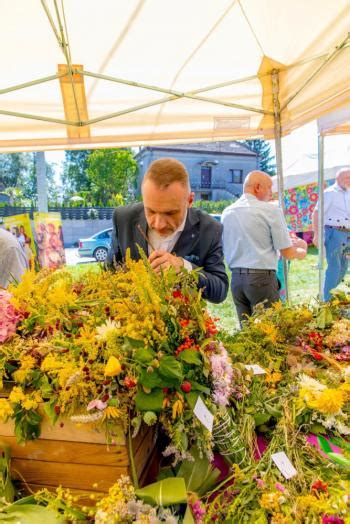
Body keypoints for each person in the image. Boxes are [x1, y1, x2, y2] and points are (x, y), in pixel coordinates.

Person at [107, 157, 228, 303]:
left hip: (182, 321)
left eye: (170, 213)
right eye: (150, 211)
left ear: (189, 200)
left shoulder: (210, 229)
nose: (159, 225)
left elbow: (219, 291)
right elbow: (109, 273)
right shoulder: (123, 218)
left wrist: (184, 268)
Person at [222, 170, 307, 324]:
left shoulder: (227, 212)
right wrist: (302, 251)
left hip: (236, 279)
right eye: (269, 188)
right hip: (261, 278)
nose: (271, 193)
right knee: (270, 332)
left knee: (247, 334)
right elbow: (287, 252)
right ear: (258, 187)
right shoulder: (270, 210)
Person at [312, 167, 350, 301]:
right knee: (335, 267)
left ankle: (330, 294)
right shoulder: (329, 193)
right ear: (337, 179)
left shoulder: (348, 192)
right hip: (334, 233)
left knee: (344, 267)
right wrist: (316, 234)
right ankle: (326, 302)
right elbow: (316, 213)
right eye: (347, 178)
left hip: (347, 235)